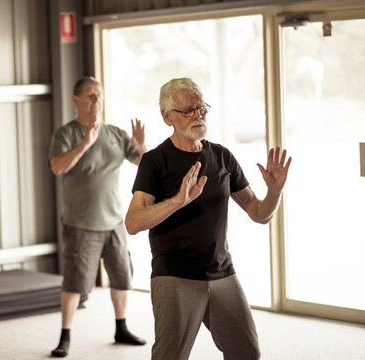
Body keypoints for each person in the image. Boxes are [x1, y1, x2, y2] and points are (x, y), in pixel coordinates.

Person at [125, 78, 292, 360]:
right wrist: (178, 201)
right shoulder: (156, 161)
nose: (197, 115)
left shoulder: (223, 157)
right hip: (174, 274)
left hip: (221, 272)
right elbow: (133, 223)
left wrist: (274, 191)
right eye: (188, 110)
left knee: (247, 352)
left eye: (201, 108)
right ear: (168, 117)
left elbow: (258, 213)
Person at [48, 76, 147, 357]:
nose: (96, 101)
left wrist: (142, 147)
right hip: (81, 222)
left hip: (114, 220)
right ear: (75, 99)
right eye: (90, 95)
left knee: (121, 276)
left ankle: (121, 327)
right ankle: (64, 337)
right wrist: (85, 144)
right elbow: (57, 167)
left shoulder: (115, 133)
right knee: (75, 283)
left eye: (99, 96)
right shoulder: (65, 134)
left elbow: (143, 163)